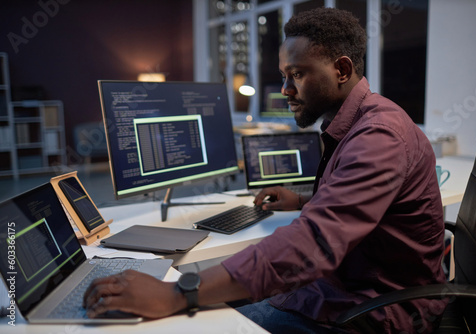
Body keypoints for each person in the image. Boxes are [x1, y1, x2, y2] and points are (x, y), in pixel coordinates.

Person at [83, 7, 446, 333]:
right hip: (346, 287)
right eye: (284, 75)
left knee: (192, 320)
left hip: (374, 310)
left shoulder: (380, 136)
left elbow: (314, 243)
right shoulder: (359, 122)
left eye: (297, 74)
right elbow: (353, 208)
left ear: (342, 70)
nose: (285, 89)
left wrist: (177, 293)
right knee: (218, 299)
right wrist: (305, 200)